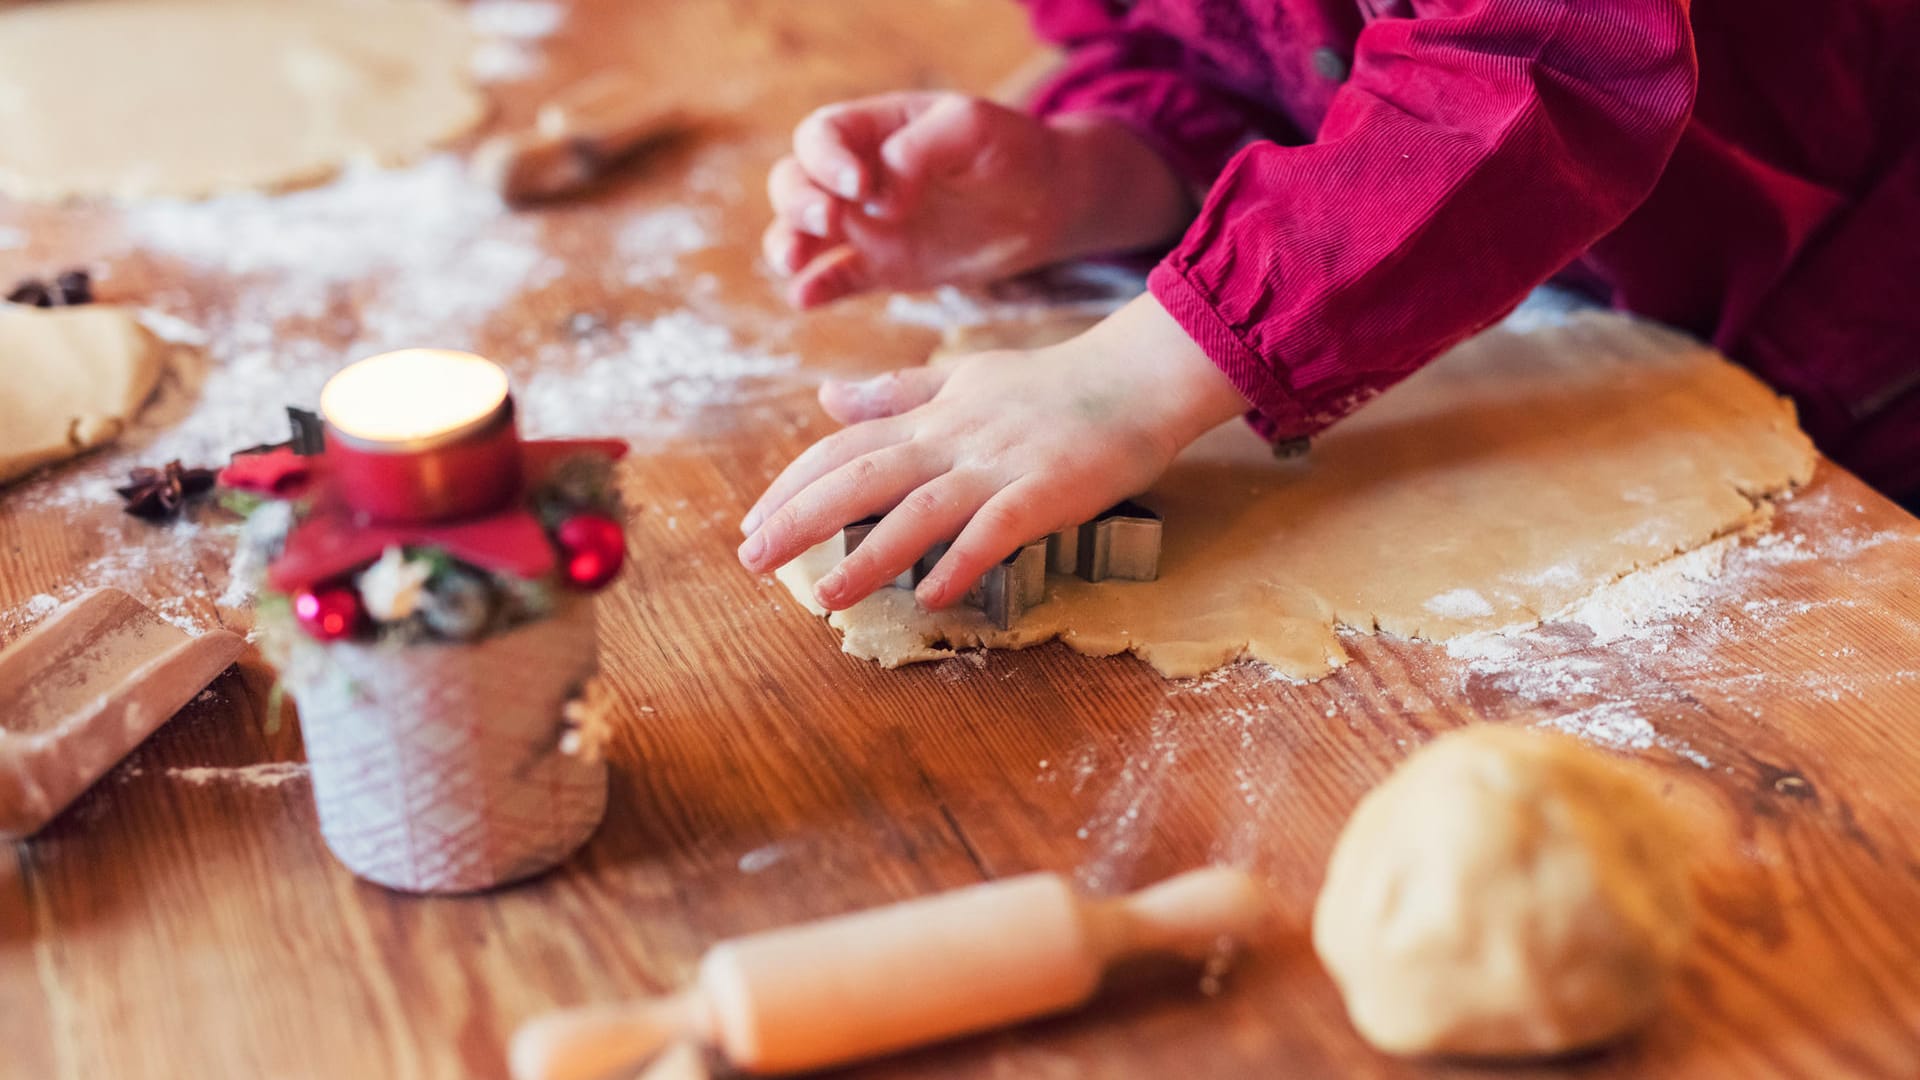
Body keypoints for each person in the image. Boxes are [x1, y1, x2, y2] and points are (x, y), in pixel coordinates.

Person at [737, 0, 1920, 611]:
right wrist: (1085, 176)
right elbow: (1246, 57)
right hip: (1575, 316)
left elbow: (1550, 50)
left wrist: (1129, 378)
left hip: (1868, 322)